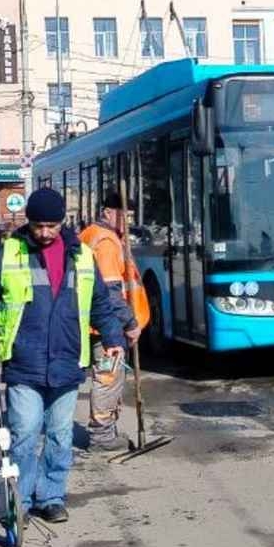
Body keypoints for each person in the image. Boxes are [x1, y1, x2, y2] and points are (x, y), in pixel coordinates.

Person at [0, 188, 131, 524]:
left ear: (61, 223)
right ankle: (21, 500)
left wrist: (113, 336)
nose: (44, 233)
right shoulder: (9, 253)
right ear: (29, 222)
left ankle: (51, 495)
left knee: (60, 435)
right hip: (24, 360)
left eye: (51, 226)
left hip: (68, 361)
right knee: (25, 431)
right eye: (39, 225)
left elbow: (100, 302)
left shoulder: (82, 255)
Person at [79, 191, 151, 451]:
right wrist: (130, 323)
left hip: (97, 321)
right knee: (108, 376)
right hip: (105, 325)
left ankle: (106, 430)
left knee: (108, 374)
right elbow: (110, 292)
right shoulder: (107, 242)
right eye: (123, 215)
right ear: (108, 212)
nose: (127, 221)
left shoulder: (90, 234)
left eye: (131, 216)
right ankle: (102, 436)